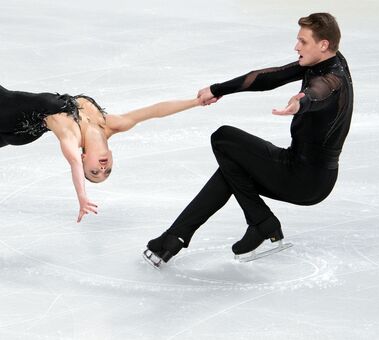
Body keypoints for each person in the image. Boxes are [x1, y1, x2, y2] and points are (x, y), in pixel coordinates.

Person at [0, 29, 201, 222]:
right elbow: (157, 111)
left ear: (86, 160)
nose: (102, 168)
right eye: (106, 171)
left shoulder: (72, 134)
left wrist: (82, 195)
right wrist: (195, 101)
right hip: (22, 133)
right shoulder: (112, 126)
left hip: (5, 111)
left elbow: (71, 160)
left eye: (94, 171)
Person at [143, 13, 353, 266]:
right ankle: (173, 239)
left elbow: (319, 91)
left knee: (224, 138)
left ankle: (262, 223)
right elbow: (268, 77)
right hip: (308, 174)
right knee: (231, 169)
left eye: (303, 41)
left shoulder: (332, 78)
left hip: (305, 178)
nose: (296, 46)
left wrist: (300, 102)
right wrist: (218, 89)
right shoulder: (326, 61)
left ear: (323, 44)